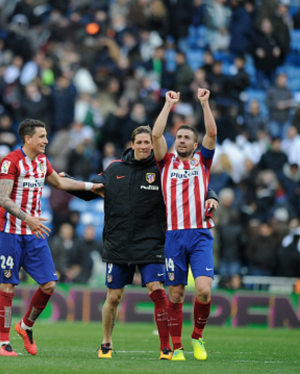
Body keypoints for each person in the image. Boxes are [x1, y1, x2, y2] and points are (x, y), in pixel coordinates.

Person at [74, 126, 218, 360]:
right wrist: (66, 182)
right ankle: (106, 342)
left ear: (152, 144)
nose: (143, 146)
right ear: (132, 144)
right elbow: (93, 187)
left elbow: (194, 183)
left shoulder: (161, 166)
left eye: (147, 142)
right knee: (113, 297)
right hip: (119, 242)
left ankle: (166, 347)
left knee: (158, 290)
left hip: (152, 242)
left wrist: (212, 195)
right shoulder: (115, 168)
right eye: (139, 142)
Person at [0, 118, 102, 356]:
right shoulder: (11, 162)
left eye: (46, 136)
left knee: (50, 284)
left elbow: (60, 182)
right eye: (41, 136)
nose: (46, 140)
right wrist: (27, 218)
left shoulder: (42, 161)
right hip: (11, 232)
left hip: (34, 233)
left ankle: (25, 326)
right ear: (28, 138)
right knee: (8, 286)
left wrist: (91, 187)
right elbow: (3, 199)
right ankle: (4, 344)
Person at [152, 89, 217, 361]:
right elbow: (156, 135)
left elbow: (212, 133)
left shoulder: (203, 161)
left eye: (186, 137)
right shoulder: (165, 162)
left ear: (195, 143)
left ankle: (197, 338)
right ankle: (176, 347)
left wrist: (204, 103)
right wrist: (168, 105)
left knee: (203, 290)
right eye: (178, 137)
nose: (180, 141)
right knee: (176, 295)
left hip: (200, 234)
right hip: (174, 236)